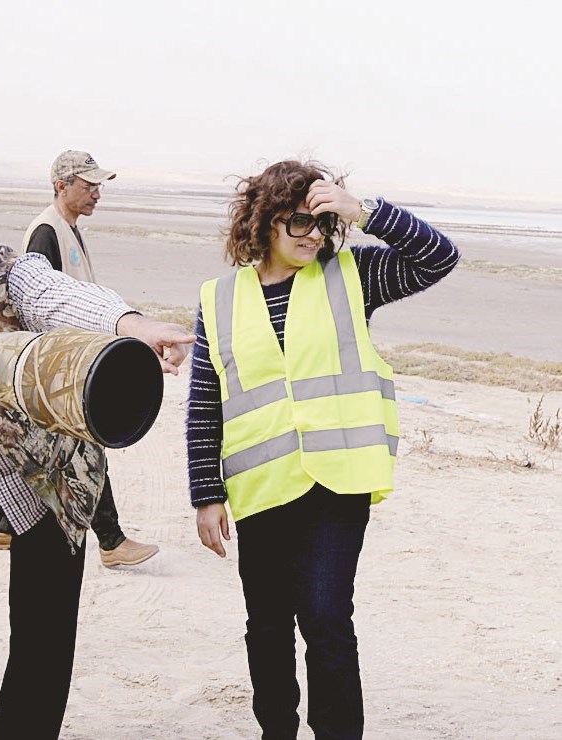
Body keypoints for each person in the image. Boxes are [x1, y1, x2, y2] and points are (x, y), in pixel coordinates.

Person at [0, 180, 194, 739]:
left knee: (44, 635)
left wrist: (134, 326)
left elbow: (64, 297)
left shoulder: (13, 274)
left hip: (52, 482)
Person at [188, 159, 460, 739]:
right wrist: (206, 494)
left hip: (337, 482)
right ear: (263, 224)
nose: (313, 235)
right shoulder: (218, 299)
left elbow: (439, 256)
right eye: (297, 224)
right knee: (266, 624)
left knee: (326, 618)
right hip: (260, 485)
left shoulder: (353, 275)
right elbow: (205, 403)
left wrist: (362, 211)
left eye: (322, 223)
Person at [13, 148, 159, 568]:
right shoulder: (46, 231)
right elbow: (41, 303)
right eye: (88, 185)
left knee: (73, 450)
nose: (97, 193)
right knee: (86, 449)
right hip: (62, 368)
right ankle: (111, 541)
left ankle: (8, 529)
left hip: (77, 360)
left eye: (99, 185)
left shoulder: (69, 228)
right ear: (62, 186)